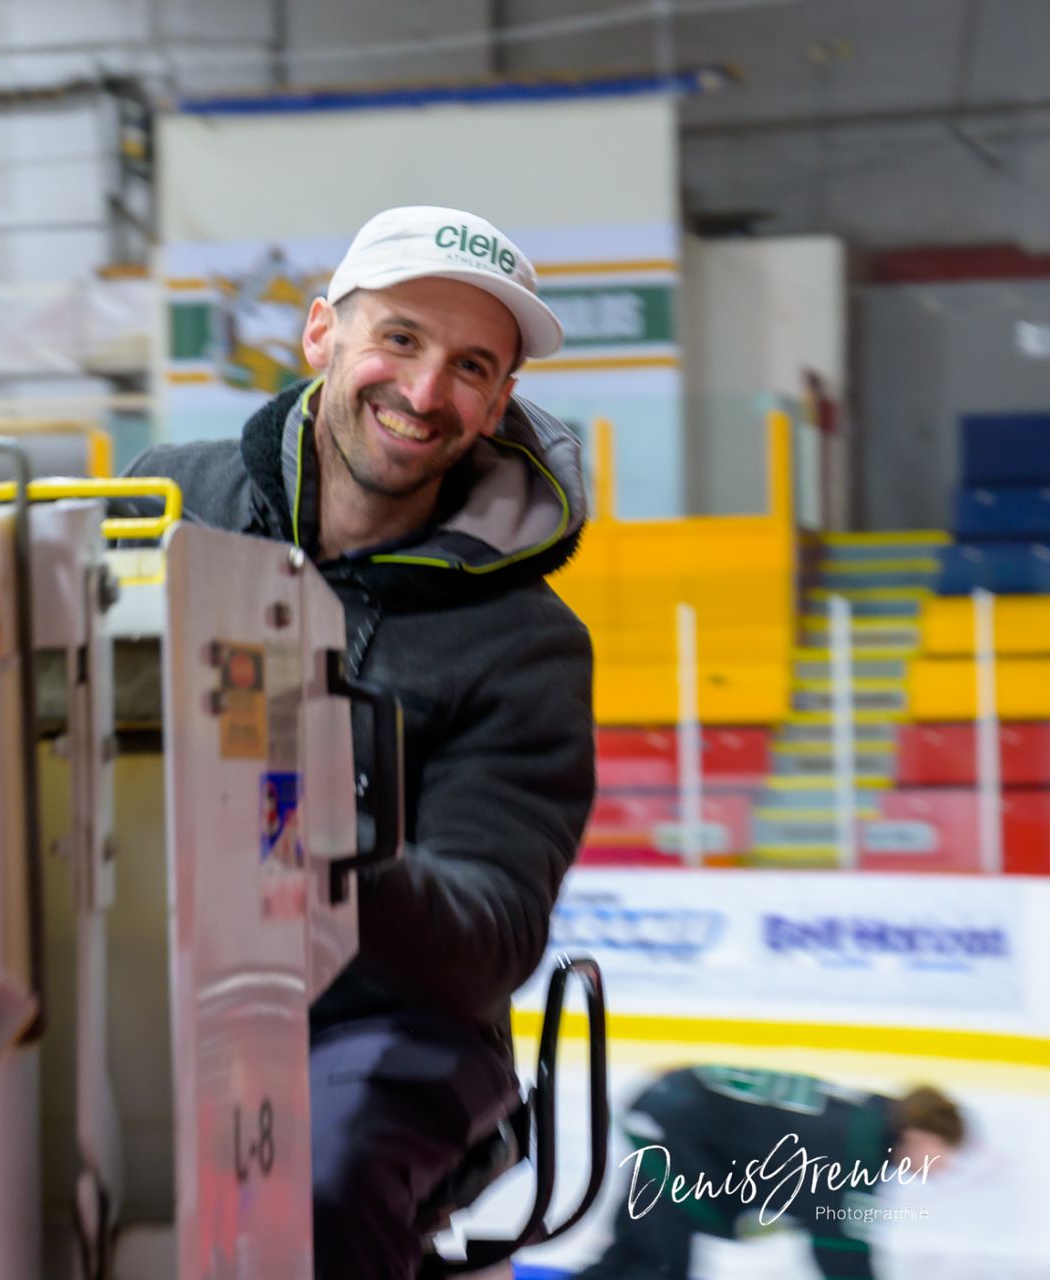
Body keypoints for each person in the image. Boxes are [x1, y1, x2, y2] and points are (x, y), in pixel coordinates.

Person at [125, 206, 596, 1278]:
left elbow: (492, 929)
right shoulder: (168, 500)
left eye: (470, 366)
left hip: (385, 1028)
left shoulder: (526, 644)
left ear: (499, 402)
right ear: (320, 334)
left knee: (310, 1181)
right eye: (400, 339)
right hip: (141, 982)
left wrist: (322, 847)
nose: (425, 392)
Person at [574, 1066, 967, 1279]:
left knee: (633, 1254)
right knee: (658, 1266)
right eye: (943, 1151)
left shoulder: (868, 1122)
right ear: (918, 1135)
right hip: (677, 1125)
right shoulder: (858, 1149)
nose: (943, 1167)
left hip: (674, 1109)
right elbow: (842, 1251)